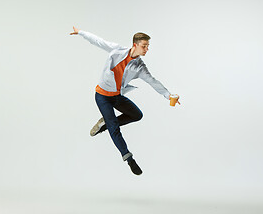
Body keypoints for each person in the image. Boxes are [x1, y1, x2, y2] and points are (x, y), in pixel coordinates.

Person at [70, 26, 180, 175]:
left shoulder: (140, 67)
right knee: (115, 128)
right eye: (144, 46)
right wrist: (81, 33)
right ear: (135, 45)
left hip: (116, 96)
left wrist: (168, 95)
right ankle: (129, 159)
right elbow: (98, 41)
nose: (147, 49)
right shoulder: (117, 50)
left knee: (137, 115)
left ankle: (105, 124)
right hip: (102, 97)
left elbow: (152, 81)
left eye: (148, 46)